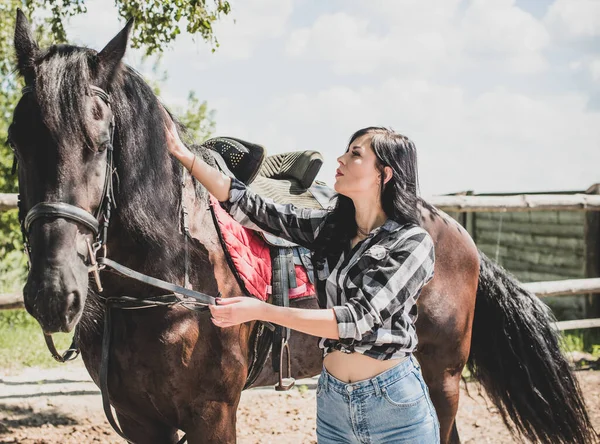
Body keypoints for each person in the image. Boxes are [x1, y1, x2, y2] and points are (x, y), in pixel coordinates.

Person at [165, 119, 440, 444]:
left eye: (355, 154)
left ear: (385, 174)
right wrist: (183, 154)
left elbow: (356, 320)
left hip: (393, 406)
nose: (340, 159)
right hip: (334, 402)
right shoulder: (333, 229)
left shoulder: (412, 243)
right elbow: (253, 207)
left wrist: (261, 310)